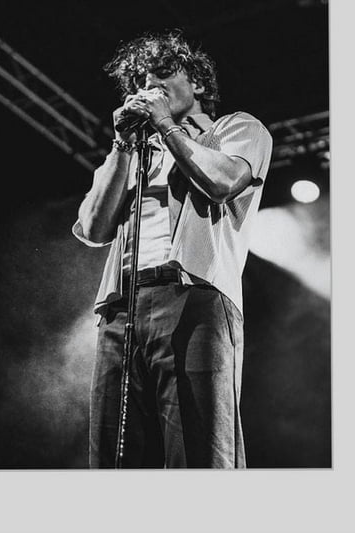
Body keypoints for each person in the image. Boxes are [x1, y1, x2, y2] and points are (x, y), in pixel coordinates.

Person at [72, 31, 272, 468]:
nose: (150, 85)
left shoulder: (235, 129)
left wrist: (167, 126)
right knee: (115, 456)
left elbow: (222, 182)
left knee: (198, 450)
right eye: (141, 81)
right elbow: (93, 228)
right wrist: (122, 144)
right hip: (121, 307)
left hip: (194, 297)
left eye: (163, 73)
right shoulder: (134, 153)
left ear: (197, 82)